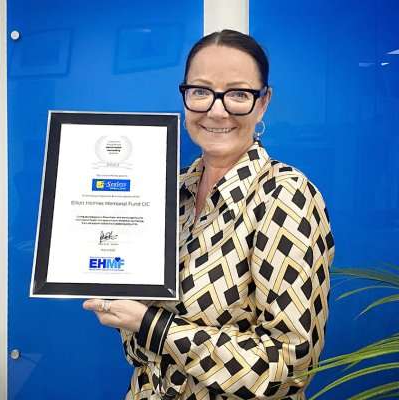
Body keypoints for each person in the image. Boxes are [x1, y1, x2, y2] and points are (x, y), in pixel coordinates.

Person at [84, 29, 335, 400]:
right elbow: (138, 349)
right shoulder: (165, 191)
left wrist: (153, 326)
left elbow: (289, 366)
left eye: (238, 94)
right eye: (201, 91)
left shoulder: (285, 196)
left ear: (263, 102)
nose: (217, 110)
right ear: (185, 97)